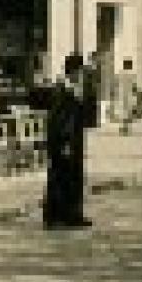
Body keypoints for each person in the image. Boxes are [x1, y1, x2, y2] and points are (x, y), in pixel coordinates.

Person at [42, 54, 92, 228]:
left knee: (70, 178)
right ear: (74, 71)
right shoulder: (62, 90)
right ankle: (59, 216)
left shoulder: (72, 89)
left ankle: (70, 214)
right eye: (80, 71)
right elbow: (59, 119)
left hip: (73, 142)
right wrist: (64, 142)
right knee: (61, 179)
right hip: (65, 142)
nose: (82, 75)